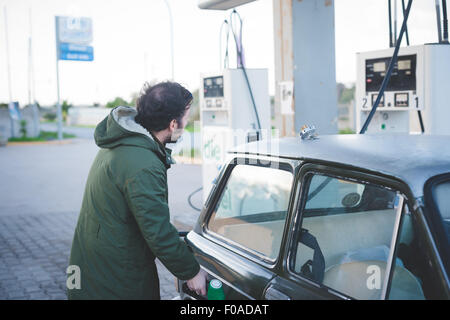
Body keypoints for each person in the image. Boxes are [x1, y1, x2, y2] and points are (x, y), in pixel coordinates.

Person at [67, 81, 207, 299]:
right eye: (186, 118)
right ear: (172, 124)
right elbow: (157, 231)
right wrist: (191, 271)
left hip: (94, 264)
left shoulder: (124, 140)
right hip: (115, 278)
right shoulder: (143, 164)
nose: (186, 124)